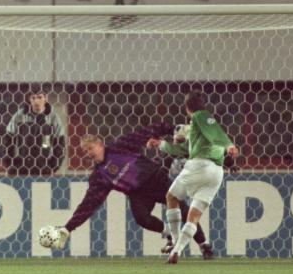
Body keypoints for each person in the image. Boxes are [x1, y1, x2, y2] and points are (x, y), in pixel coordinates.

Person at [50, 130, 213, 257]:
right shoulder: (99, 176)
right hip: (138, 192)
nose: (89, 153)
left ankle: (204, 245)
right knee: (141, 218)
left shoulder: (119, 147)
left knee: (184, 212)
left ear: (100, 145)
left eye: (91, 148)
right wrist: (68, 228)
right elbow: (88, 205)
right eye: (86, 151)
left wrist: (170, 130)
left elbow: (145, 132)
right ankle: (170, 233)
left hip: (156, 179)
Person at [147, 90, 238, 264]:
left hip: (199, 166)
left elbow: (216, 132)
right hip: (216, 173)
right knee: (193, 217)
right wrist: (162, 144)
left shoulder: (200, 116)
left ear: (187, 108)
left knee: (171, 197)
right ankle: (178, 251)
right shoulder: (200, 129)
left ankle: (174, 241)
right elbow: (184, 150)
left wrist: (229, 145)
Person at [5, 87, 67, 176]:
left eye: (39, 97)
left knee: (46, 131)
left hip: (43, 166)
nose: (36, 101)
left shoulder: (53, 117)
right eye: (33, 98)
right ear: (29, 99)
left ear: (45, 98)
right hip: (22, 166)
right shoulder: (20, 115)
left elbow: (60, 145)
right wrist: (11, 164)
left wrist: (53, 166)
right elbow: (7, 141)